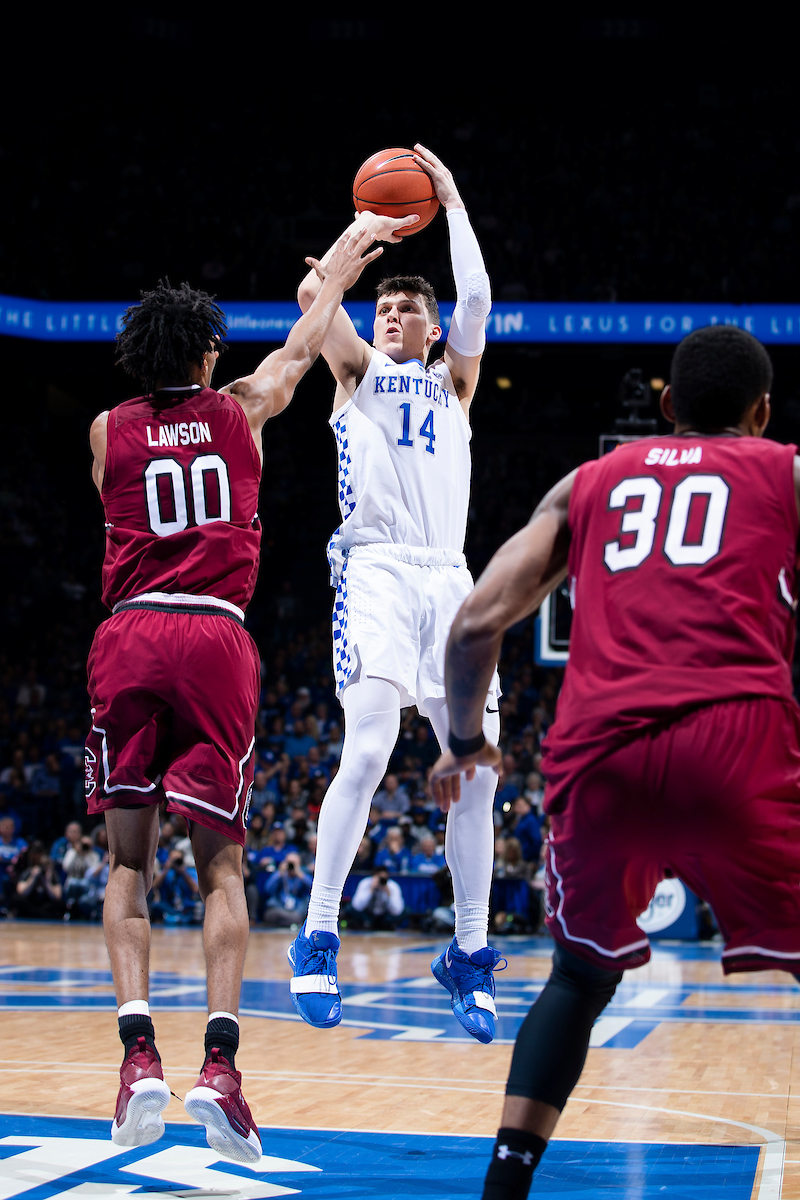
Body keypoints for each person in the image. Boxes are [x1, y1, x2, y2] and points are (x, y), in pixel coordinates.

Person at [430, 324, 800, 1199]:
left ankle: (506, 1184)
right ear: (763, 413)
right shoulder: (784, 471)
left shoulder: (589, 484)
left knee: (581, 974)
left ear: (666, 409)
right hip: (734, 738)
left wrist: (465, 743)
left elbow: (476, 623)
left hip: (601, 752)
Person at [85, 229, 382, 1162]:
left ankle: (138, 1059)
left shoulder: (106, 430)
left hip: (130, 632)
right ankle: (220, 1068)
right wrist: (350, 254)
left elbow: (117, 489)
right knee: (222, 868)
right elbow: (308, 335)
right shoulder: (243, 405)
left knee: (128, 866)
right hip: (215, 634)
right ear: (209, 352)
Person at [288, 144, 503, 1044]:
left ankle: (468, 951)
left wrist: (449, 200)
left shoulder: (455, 381)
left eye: (406, 307)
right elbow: (313, 303)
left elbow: (480, 300)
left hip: (448, 577)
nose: (392, 314)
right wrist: (359, 237)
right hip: (375, 569)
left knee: (475, 776)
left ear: (429, 325)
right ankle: (318, 934)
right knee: (370, 746)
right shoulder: (356, 374)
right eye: (384, 306)